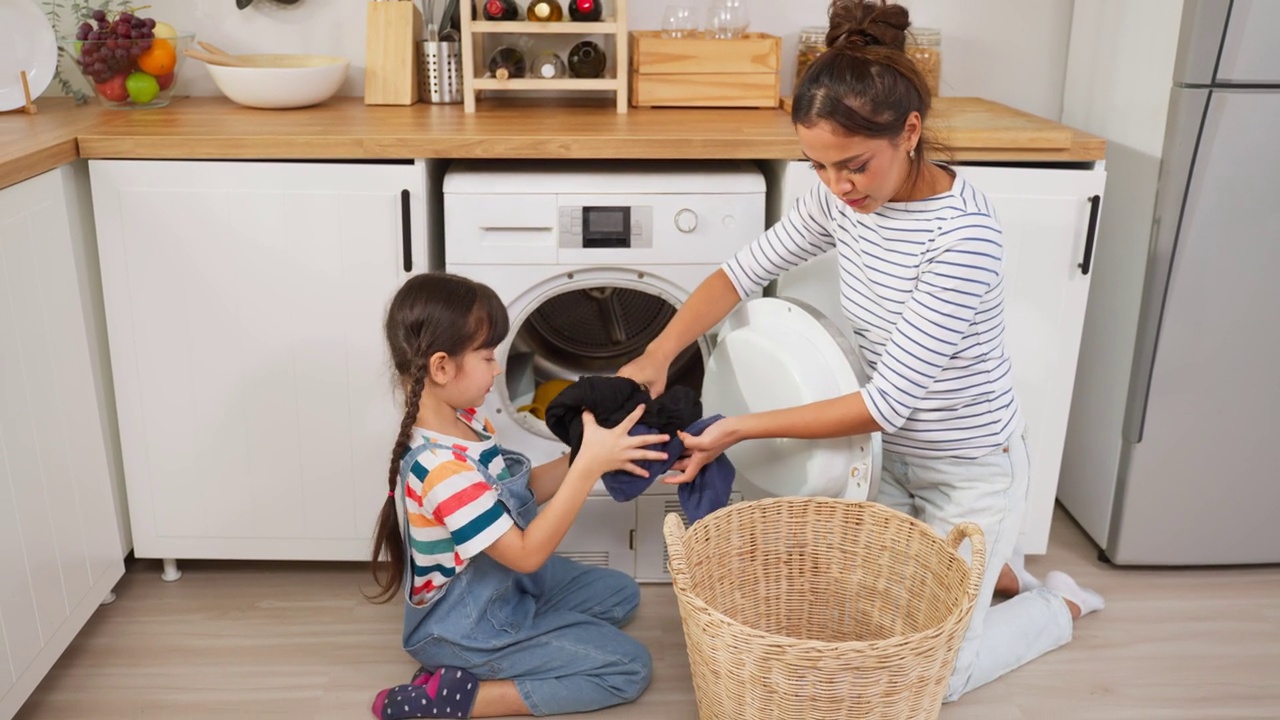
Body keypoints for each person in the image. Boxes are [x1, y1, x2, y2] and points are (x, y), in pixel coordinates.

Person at [618, 0, 1104, 703]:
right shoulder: (838, 199)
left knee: (929, 677)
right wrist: (661, 351)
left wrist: (737, 429)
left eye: (853, 165)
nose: (839, 187)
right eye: (818, 167)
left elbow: (885, 402)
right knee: (863, 629)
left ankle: (1053, 604)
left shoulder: (961, 239)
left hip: (968, 470)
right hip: (883, 458)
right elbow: (740, 272)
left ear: (911, 132)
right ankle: (992, 572)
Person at [366, 272, 665, 719]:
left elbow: (520, 490)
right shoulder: (442, 469)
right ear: (442, 367)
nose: (498, 368)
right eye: (487, 357)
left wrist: (586, 452)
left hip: (503, 585)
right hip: (467, 626)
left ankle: (536, 637)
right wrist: (587, 470)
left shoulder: (465, 419)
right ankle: (460, 697)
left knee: (620, 596)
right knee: (628, 667)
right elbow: (525, 554)